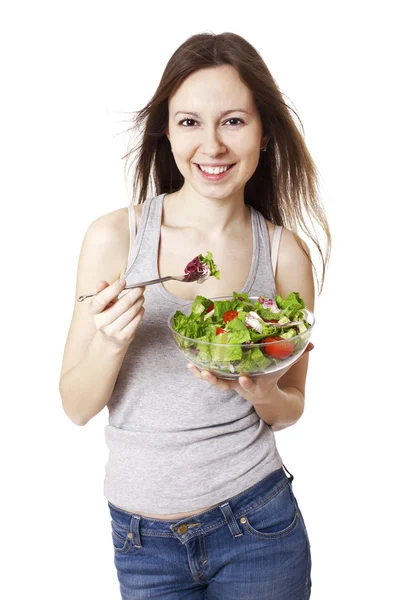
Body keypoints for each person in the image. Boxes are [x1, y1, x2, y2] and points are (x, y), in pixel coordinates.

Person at [59, 31, 331, 599]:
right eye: (189, 122)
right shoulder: (116, 238)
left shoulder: (284, 254)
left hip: (257, 524)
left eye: (233, 121)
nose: (212, 146)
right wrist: (109, 341)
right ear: (167, 132)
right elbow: (75, 406)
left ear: (264, 133)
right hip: (141, 542)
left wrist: (260, 391)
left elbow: (290, 409)